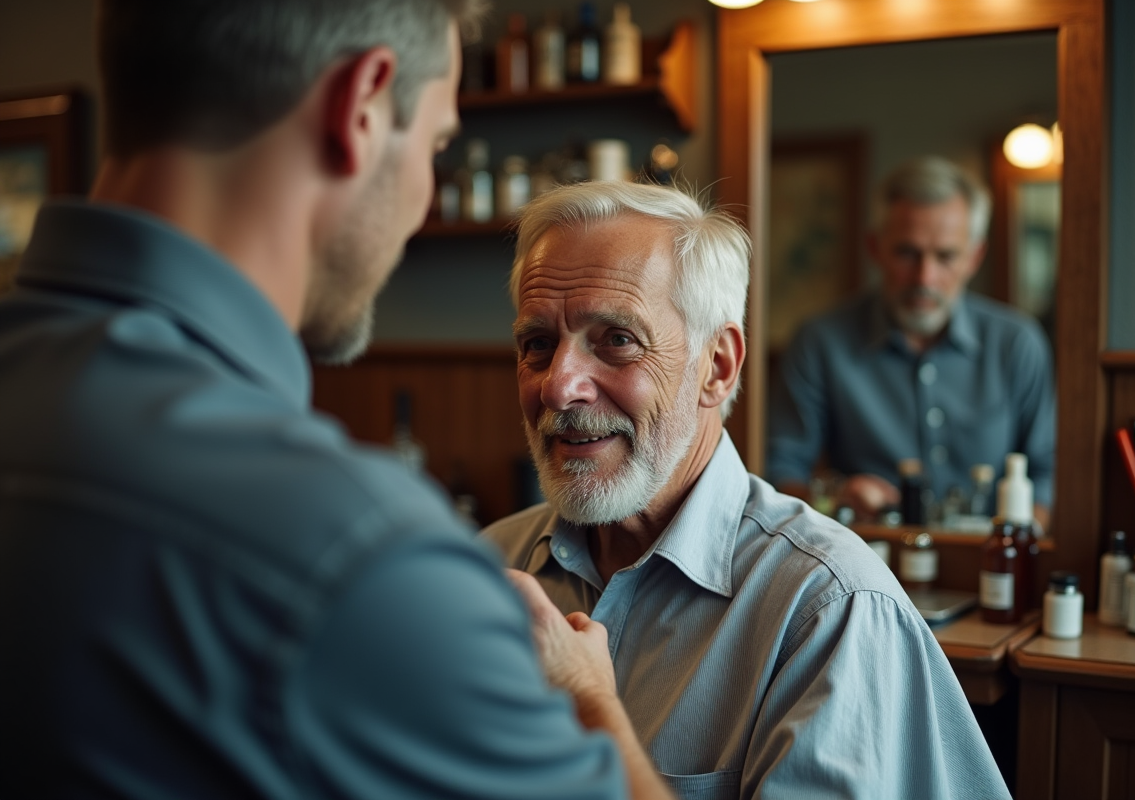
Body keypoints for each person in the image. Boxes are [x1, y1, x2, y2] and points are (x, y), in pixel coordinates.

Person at [0, 2, 674, 798]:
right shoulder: (365, 557)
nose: (425, 194)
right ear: (361, 107)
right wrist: (593, 703)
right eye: (435, 144)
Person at [482, 180, 1011, 799]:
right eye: (537, 345)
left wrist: (594, 713)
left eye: (616, 340)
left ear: (718, 366)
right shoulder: (488, 565)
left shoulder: (828, 610)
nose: (557, 386)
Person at [767, 156, 1056, 527]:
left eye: (946, 256)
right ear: (875, 248)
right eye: (907, 253)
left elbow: (1048, 476)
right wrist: (836, 497)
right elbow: (781, 472)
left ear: (975, 256)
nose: (925, 276)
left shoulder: (1018, 344)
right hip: (866, 561)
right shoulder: (821, 342)